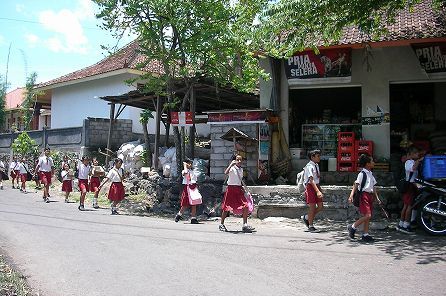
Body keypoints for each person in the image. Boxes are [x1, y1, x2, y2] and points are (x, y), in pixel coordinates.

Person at [348, 154, 382, 242]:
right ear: (367, 164)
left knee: (367, 216)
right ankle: (353, 227)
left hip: (370, 196)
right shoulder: (362, 174)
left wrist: (377, 198)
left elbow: (374, 187)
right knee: (368, 215)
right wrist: (351, 195)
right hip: (364, 195)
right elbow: (356, 185)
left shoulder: (370, 174)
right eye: (372, 161)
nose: (373, 163)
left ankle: (365, 234)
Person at [219, 155, 255, 233]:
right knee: (226, 208)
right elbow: (226, 172)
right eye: (237, 160)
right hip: (231, 190)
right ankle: (221, 224)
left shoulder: (241, 170)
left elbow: (239, 181)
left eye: (240, 160)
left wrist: (243, 190)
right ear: (234, 160)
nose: (239, 161)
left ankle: (245, 225)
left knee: (245, 206)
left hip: (238, 189)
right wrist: (231, 164)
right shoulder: (232, 168)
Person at [397, 146, 423, 234]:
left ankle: (401, 224)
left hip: (411, 186)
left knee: (406, 206)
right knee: (409, 206)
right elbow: (413, 168)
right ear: (410, 154)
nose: (417, 154)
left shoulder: (412, 161)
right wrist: (419, 161)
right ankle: (406, 225)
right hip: (409, 186)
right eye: (415, 153)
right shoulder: (409, 162)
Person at [301, 149, 324, 232]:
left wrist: (319, 189)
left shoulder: (316, 165)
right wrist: (317, 191)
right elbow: (311, 180)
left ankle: (307, 217)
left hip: (316, 185)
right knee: (312, 207)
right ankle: (310, 225)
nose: (319, 158)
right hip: (311, 187)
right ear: (312, 157)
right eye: (318, 156)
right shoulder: (309, 166)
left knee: (320, 206)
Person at [175, 158, 201, 224]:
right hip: (187, 188)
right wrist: (184, 165)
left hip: (193, 187)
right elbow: (186, 173)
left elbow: (195, 179)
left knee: (194, 203)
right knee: (185, 203)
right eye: (188, 163)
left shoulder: (193, 171)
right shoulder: (184, 171)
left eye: (191, 163)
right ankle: (179, 215)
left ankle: (193, 218)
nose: (190, 165)